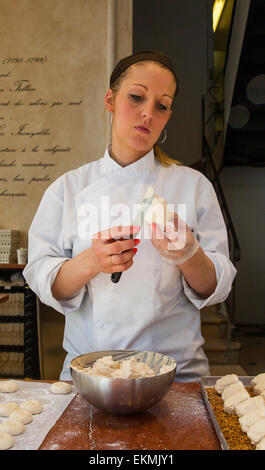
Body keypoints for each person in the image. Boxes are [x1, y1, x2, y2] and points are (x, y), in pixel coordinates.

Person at [23, 50, 236, 382]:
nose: (147, 113)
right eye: (136, 97)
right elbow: (43, 277)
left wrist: (188, 254)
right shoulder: (69, 189)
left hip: (176, 375)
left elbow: (214, 284)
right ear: (110, 100)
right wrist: (92, 261)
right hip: (92, 373)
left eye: (161, 106)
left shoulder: (192, 187)